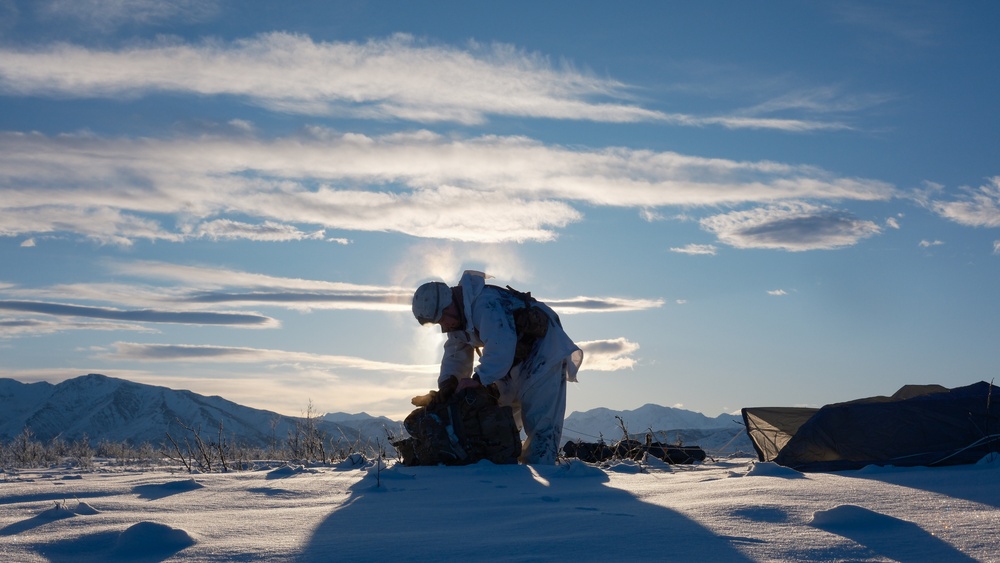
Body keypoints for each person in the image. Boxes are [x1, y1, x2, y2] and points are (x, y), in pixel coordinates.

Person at [412, 270, 583, 464]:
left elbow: (500, 347)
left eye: (442, 318)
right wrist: (448, 383)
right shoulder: (459, 319)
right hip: (513, 366)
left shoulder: (487, 304)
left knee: (541, 427)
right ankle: (510, 478)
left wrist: (478, 380)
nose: (444, 325)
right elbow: (455, 354)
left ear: (448, 304)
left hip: (543, 357)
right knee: (500, 421)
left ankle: (541, 480)